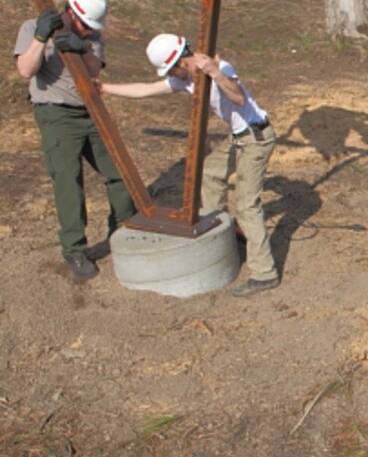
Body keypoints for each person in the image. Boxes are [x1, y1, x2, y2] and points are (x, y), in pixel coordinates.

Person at [99, 34, 280, 297]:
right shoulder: (185, 79)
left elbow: (239, 98)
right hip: (238, 137)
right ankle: (222, 234)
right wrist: (105, 88)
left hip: (256, 136)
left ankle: (265, 274)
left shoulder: (221, 68)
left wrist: (216, 73)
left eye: (173, 69)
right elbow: (146, 89)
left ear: (183, 61)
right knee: (210, 172)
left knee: (247, 205)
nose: (172, 75)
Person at [13, 0, 136, 281]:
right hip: (56, 115)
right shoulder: (33, 27)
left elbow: (95, 72)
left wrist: (82, 46)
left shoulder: (91, 37)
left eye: (92, 27)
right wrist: (41, 39)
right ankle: (74, 249)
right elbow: (25, 69)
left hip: (91, 111)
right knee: (69, 181)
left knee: (120, 171)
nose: (90, 31)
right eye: (85, 26)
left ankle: (121, 229)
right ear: (70, 12)